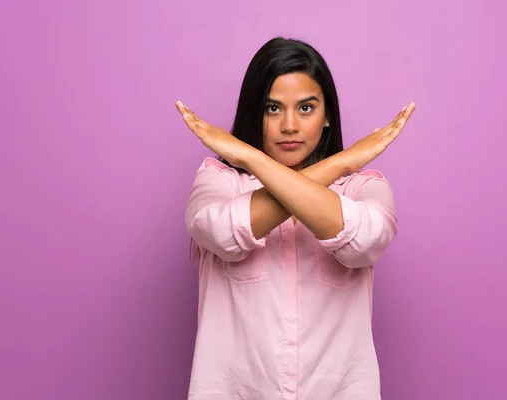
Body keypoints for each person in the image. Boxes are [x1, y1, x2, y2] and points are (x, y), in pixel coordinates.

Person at [176, 37, 415, 400]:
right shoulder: (218, 181)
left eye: (306, 108)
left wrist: (254, 157)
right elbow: (222, 232)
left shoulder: (363, 188)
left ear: (327, 114)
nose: (289, 125)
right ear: (255, 112)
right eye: (273, 108)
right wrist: (337, 162)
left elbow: (365, 240)